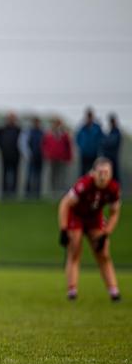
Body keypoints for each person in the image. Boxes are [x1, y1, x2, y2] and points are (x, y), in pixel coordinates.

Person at [57, 158, 121, 302]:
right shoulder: (84, 184)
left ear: (111, 174)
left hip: (94, 219)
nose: (103, 176)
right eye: (100, 172)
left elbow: (114, 213)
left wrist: (106, 233)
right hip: (76, 217)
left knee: (103, 253)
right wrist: (63, 228)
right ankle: (72, 290)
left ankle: (114, 292)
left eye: (106, 172)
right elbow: (65, 204)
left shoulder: (113, 188)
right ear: (94, 173)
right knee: (74, 250)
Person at [42, 118, 72, 195]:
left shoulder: (64, 134)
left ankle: (60, 190)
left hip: (62, 158)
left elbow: (68, 146)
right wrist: (46, 154)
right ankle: (52, 190)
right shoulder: (49, 134)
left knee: (61, 174)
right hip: (52, 157)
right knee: (53, 174)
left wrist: (69, 157)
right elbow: (44, 145)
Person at [0, 112, 21, 198]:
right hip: (5, 156)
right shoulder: (2, 129)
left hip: (16, 156)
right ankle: (4, 193)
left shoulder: (18, 130)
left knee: (15, 175)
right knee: (4, 174)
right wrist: (2, 148)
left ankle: (13, 193)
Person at [76, 108, 104, 175]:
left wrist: (97, 147)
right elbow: (77, 138)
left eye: (90, 116)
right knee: (83, 172)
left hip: (94, 153)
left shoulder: (97, 128)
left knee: (93, 171)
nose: (89, 118)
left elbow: (101, 139)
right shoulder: (82, 128)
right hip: (84, 154)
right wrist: (81, 147)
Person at [24, 117, 44, 199]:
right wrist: (28, 154)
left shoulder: (42, 132)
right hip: (31, 157)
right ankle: (28, 194)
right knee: (29, 176)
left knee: (38, 176)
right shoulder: (29, 132)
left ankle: (37, 194)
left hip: (39, 157)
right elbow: (25, 144)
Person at [103, 114, 122, 184]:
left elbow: (110, 143)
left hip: (114, 158)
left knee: (115, 176)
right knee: (108, 176)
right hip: (108, 158)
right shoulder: (109, 133)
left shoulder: (117, 132)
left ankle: (117, 190)